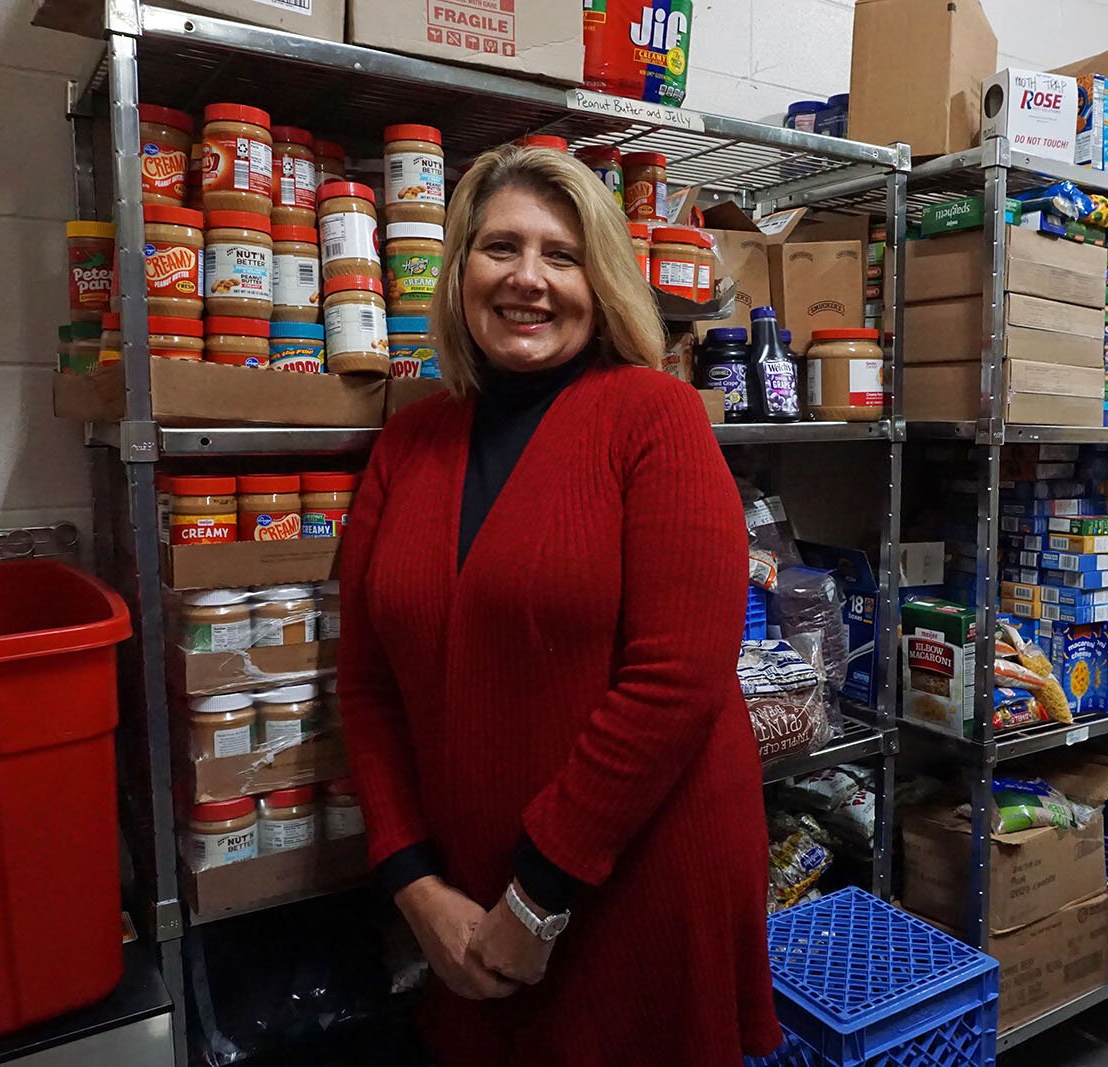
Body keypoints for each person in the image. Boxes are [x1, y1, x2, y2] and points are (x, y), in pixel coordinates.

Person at [336, 144, 782, 1065]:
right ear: (460, 271)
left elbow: (676, 680)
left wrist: (537, 894)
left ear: (602, 279)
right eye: (501, 247)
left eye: (562, 255)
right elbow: (367, 683)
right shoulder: (410, 442)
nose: (527, 279)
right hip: (465, 896)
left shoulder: (656, 417)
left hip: (640, 880)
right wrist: (412, 879)